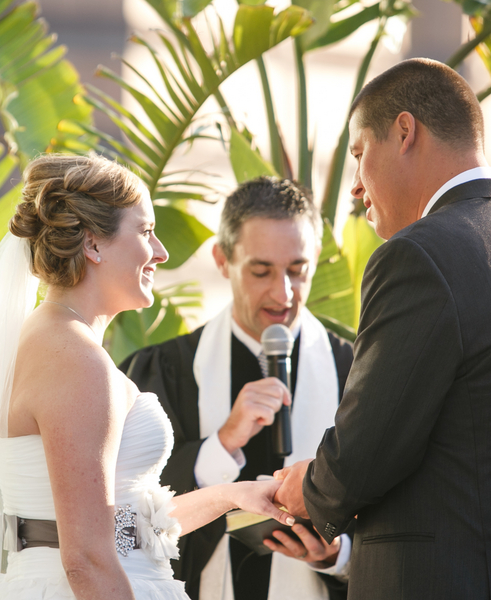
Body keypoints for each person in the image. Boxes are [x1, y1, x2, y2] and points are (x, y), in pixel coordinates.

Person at [275, 58, 491, 599]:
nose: (355, 189)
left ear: (405, 132)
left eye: (359, 155)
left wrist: (309, 488)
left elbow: (365, 450)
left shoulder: (419, 256)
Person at [0, 155, 297, 600]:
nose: (162, 253)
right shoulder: (75, 359)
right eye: (146, 231)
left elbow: (125, 527)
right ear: (92, 245)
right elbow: (87, 559)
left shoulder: (54, 341)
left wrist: (235, 495)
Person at [121, 177, 354, 600]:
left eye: (298, 270)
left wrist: (337, 555)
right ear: (223, 259)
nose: (283, 293)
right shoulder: (167, 369)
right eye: (261, 270)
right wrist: (222, 444)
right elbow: (127, 512)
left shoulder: (356, 370)